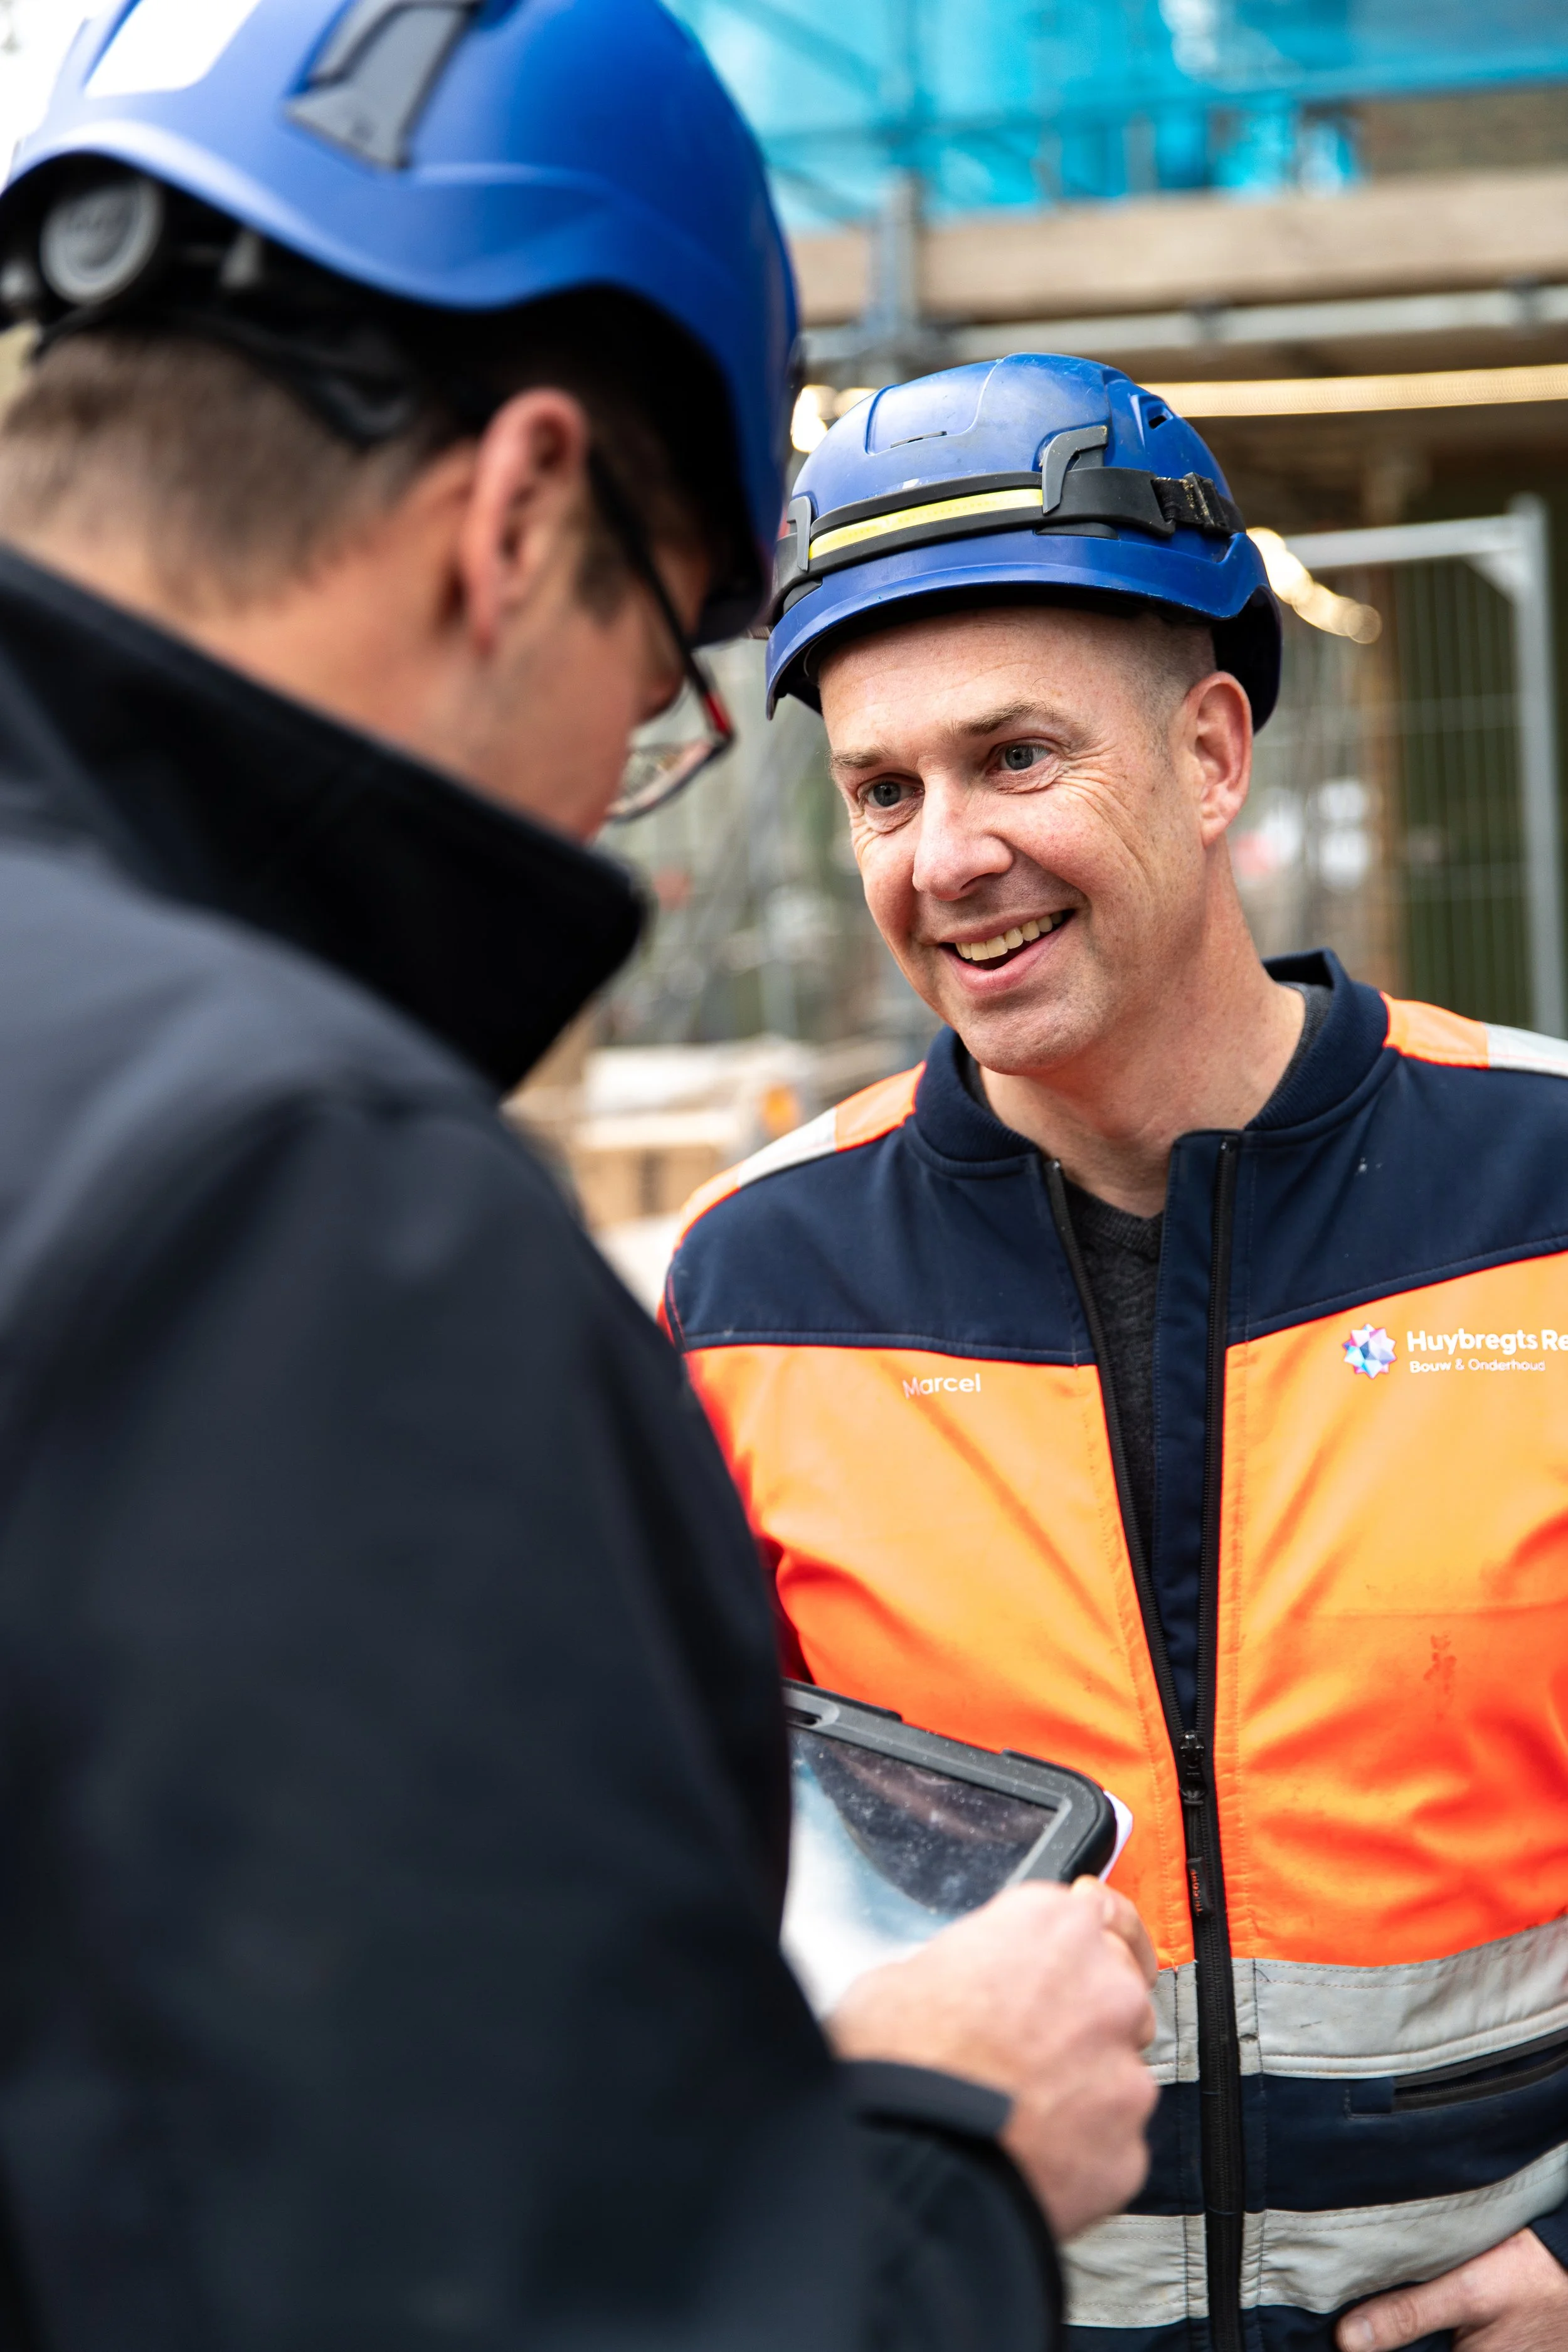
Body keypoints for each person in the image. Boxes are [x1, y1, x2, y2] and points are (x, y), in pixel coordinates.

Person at [0, 19, 1159, 2349]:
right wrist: (940, 2157)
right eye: (656, 694)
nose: (600, 790)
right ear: (524, 509)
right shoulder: (304, 1205)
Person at [664, 351, 1568, 2352]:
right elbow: (664, 1928)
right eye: (882, 791)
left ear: (1212, 752)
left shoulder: (1544, 1189)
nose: (943, 856)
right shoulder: (749, 1287)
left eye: (1014, 758)